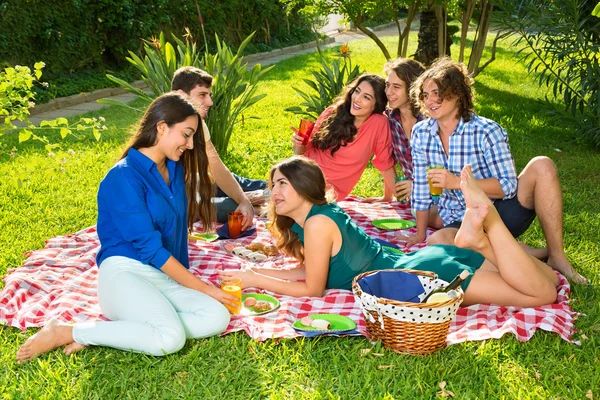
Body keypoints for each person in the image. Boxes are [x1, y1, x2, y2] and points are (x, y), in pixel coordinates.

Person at [16, 93, 236, 363]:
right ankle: (67, 330)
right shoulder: (123, 176)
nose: (190, 145)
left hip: (163, 277)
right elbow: (151, 250)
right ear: (162, 127)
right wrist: (206, 289)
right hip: (124, 274)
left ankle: (123, 330)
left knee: (217, 317)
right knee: (170, 338)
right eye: (186, 135)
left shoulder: (175, 169)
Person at [219, 156, 558, 308]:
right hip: (423, 260)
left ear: (305, 188)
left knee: (543, 293)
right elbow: (313, 270)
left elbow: (312, 289)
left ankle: (488, 229)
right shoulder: (315, 218)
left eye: (283, 183)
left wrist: (256, 281)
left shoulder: (318, 224)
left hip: (419, 279)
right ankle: (479, 243)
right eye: (272, 184)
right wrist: (253, 271)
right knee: (546, 278)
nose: (274, 192)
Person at [407, 57, 587, 284]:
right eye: (425, 94)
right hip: (462, 221)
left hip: (500, 213)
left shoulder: (486, 130)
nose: (430, 100)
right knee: (437, 242)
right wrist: (420, 234)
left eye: (436, 93)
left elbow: (509, 185)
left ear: (457, 93)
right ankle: (527, 254)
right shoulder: (421, 133)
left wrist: (457, 183)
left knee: (543, 164)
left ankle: (557, 257)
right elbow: (423, 190)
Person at [172, 66, 266, 226]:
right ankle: (261, 199)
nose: (210, 102)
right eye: (202, 95)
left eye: (209, 95)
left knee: (234, 183)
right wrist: (243, 202)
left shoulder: (197, 122)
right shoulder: (166, 126)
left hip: (193, 182)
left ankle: (271, 190)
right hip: (179, 200)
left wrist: (243, 199)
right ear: (181, 95)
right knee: (234, 206)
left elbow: (217, 167)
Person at [291, 74, 396, 201]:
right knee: (279, 201)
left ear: (376, 105)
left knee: (288, 204)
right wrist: (298, 144)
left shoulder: (378, 123)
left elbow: (385, 161)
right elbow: (302, 152)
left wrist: (387, 197)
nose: (357, 99)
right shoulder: (333, 112)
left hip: (327, 194)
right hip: (303, 175)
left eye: (366, 97)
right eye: (357, 91)